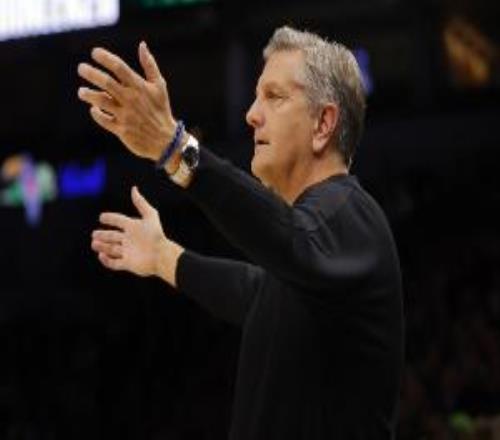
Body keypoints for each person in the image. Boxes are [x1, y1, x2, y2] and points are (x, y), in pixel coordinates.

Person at [77, 26, 404, 440]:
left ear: (323, 123)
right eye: (255, 97)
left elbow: (289, 240)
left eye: (274, 96)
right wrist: (163, 257)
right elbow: (254, 293)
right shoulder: (314, 260)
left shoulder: (351, 213)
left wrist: (176, 148)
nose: (251, 114)